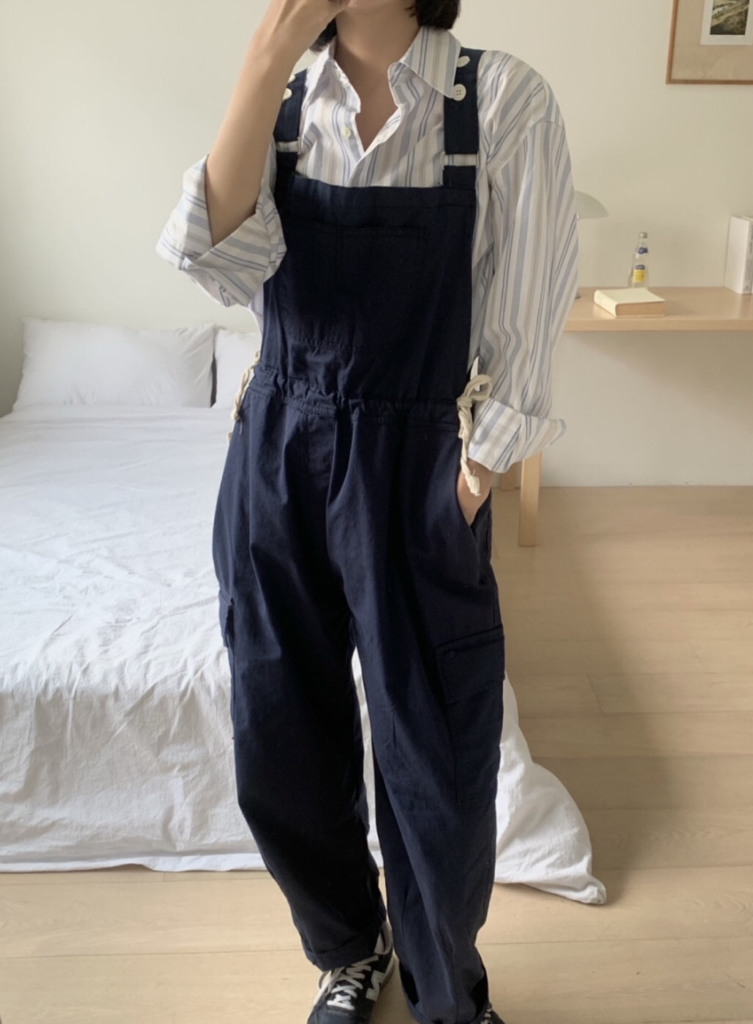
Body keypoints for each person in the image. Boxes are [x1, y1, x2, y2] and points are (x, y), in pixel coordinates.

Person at [156, 1, 579, 1022]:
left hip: (420, 459)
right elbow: (218, 261)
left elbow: (530, 315)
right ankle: (348, 948)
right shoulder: (286, 99)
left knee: (437, 756)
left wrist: (473, 474)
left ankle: (446, 995)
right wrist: (265, 57)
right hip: (276, 450)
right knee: (278, 738)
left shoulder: (499, 99)